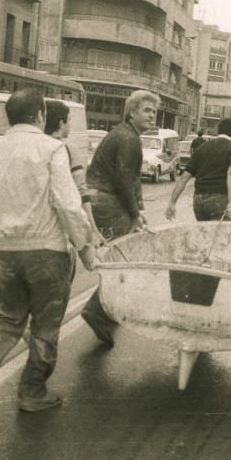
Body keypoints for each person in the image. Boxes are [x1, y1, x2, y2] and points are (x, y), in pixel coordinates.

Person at [0, 88, 100, 426]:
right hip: (47, 253)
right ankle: (32, 392)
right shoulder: (52, 148)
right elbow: (67, 204)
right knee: (46, 325)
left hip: (3, 252)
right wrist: (85, 246)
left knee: (7, 318)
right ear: (39, 115)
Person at [80, 90, 159, 347]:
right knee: (125, 259)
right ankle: (98, 310)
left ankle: (106, 309)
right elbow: (124, 179)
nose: (152, 115)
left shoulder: (126, 135)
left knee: (123, 257)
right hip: (107, 200)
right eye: (147, 110)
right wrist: (135, 214)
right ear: (132, 112)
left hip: (103, 199)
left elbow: (132, 180)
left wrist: (140, 210)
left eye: (154, 111)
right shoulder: (128, 138)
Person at [43, 100, 104, 250]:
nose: (70, 124)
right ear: (61, 124)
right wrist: (93, 231)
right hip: (57, 236)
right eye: (69, 120)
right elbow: (81, 193)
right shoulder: (68, 150)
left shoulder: (32, 146)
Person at [165, 117, 231, 222]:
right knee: (219, 236)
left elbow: (183, 178)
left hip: (199, 201)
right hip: (219, 200)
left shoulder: (201, 148)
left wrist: (172, 203)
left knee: (204, 235)